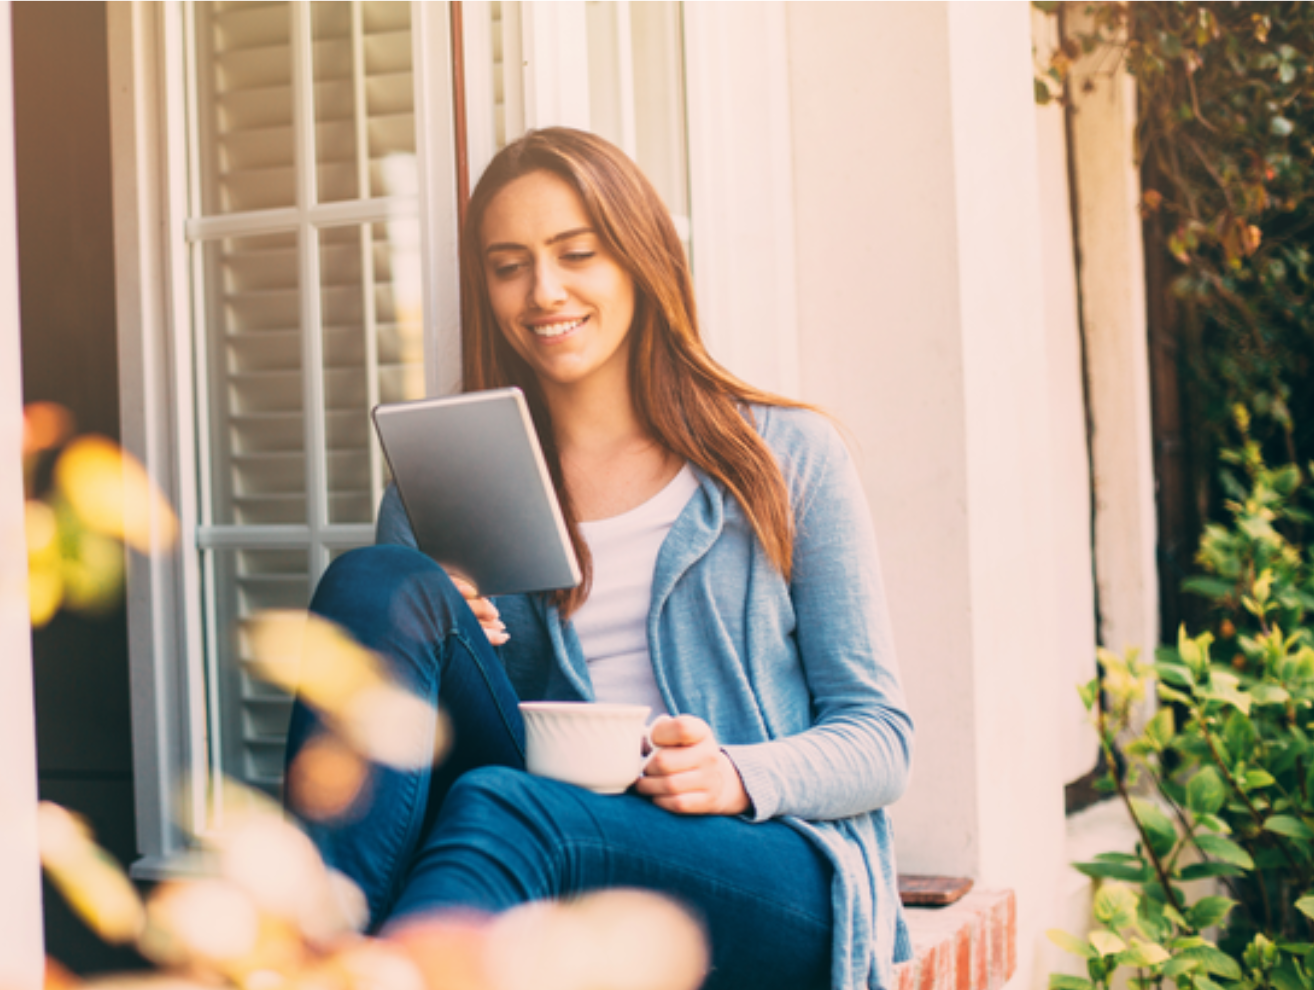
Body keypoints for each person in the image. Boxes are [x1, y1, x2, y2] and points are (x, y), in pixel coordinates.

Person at [283, 127, 914, 990]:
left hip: (762, 865)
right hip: (526, 830)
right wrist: (450, 637)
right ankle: (322, 943)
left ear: (640, 258)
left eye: (577, 253)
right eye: (509, 266)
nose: (545, 292)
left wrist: (737, 771)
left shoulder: (785, 457)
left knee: (508, 809)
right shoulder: (448, 492)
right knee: (377, 581)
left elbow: (880, 737)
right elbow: (399, 779)